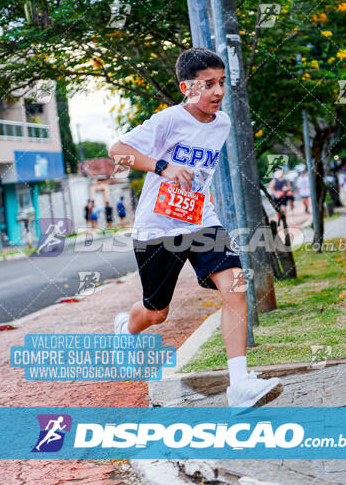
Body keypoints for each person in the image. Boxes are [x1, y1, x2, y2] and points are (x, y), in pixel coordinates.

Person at [108, 47, 282, 408]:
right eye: (207, 84)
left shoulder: (222, 123)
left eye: (220, 83)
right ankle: (127, 327)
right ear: (187, 87)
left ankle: (239, 385)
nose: (217, 92)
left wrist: (205, 195)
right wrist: (162, 167)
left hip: (201, 220)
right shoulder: (168, 120)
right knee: (156, 312)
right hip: (158, 228)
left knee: (235, 284)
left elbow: (203, 171)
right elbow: (117, 150)